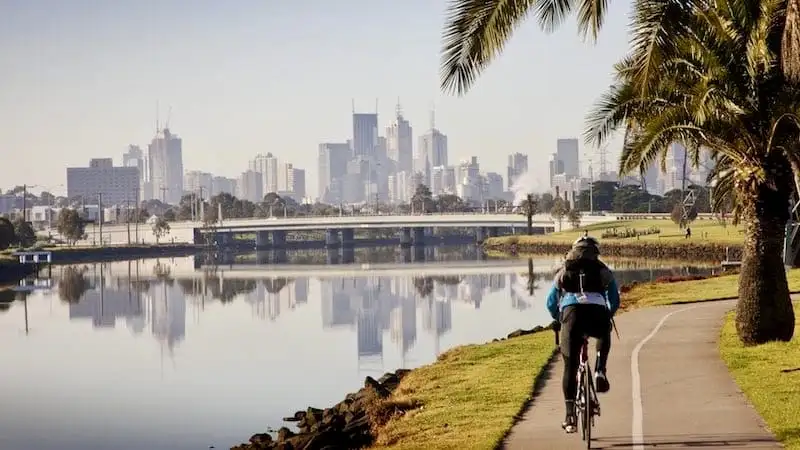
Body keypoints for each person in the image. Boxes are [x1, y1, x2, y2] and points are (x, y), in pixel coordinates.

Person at [546, 235, 620, 433]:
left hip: (571, 316)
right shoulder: (603, 270)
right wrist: (608, 315)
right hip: (597, 312)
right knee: (604, 334)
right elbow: (614, 299)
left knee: (569, 367)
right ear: (595, 251)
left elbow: (551, 302)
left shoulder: (564, 269)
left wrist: (559, 318)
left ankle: (570, 416)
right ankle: (599, 370)